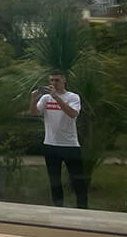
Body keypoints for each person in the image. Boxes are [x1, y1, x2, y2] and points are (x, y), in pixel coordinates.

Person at [29, 70, 88, 209]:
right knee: (54, 180)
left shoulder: (73, 97)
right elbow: (34, 112)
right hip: (50, 145)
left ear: (64, 80)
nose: (54, 83)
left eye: (57, 80)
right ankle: (58, 209)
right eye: (51, 80)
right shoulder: (46, 98)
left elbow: (72, 114)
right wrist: (33, 99)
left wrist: (56, 97)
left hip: (70, 145)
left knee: (78, 180)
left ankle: (83, 209)